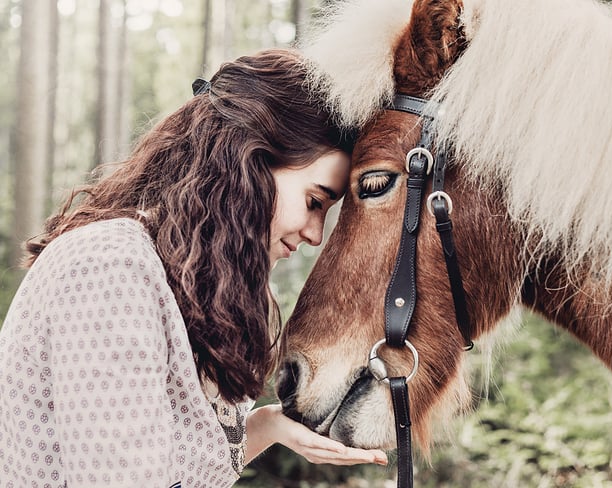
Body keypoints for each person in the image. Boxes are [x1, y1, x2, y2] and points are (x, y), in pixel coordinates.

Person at [0, 48, 387, 487]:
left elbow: (173, 469)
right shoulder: (110, 269)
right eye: (314, 202)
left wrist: (267, 427)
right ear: (249, 161)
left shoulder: (174, 277)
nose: (316, 234)